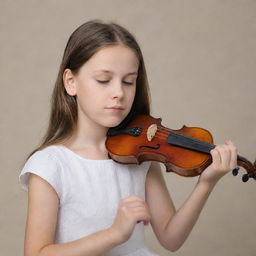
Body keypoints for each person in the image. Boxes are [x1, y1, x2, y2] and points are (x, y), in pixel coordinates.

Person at [19, 19, 238, 256]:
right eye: (103, 80)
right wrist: (114, 234)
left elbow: (171, 238)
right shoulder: (50, 165)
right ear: (71, 82)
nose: (119, 93)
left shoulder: (138, 155)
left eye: (129, 81)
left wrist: (206, 182)